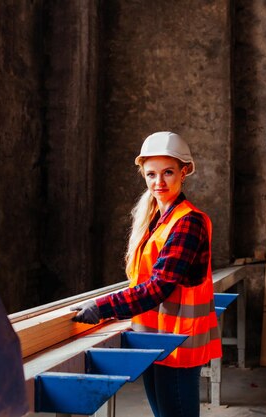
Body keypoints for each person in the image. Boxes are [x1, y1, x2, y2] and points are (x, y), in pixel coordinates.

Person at [71, 131, 222, 417]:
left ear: (184, 171)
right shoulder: (154, 219)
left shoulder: (187, 222)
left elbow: (158, 287)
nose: (159, 182)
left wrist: (103, 307)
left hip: (177, 343)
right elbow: (142, 280)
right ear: (143, 173)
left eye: (168, 172)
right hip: (154, 338)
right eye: (151, 174)